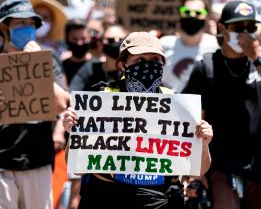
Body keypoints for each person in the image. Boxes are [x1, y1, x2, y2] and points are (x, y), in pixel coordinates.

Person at [62, 31, 213, 208]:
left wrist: (203, 144)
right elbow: (78, 167)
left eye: (155, 60)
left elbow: (198, 170)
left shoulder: (177, 105)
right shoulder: (101, 101)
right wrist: (74, 132)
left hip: (160, 199)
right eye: (140, 60)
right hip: (107, 197)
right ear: (122, 65)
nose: (148, 66)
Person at [0, 0, 70, 209]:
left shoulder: (48, 59)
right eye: (19, 24)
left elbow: (62, 104)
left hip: (36, 161)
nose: (27, 28)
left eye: (30, 23)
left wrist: (40, 65)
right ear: (4, 28)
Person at [182, 0, 261, 209]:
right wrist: (196, 171)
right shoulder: (206, 66)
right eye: (237, 27)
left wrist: (257, 59)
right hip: (220, 165)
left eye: (250, 27)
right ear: (221, 27)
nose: (245, 33)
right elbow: (196, 119)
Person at [161, 0, 218, 92]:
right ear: (180, 14)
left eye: (198, 13)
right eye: (186, 12)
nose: (192, 16)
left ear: (207, 17)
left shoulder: (216, 46)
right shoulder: (164, 44)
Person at [70, 24, 127, 91]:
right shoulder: (89, 69)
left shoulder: (133, 71)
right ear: (100, 44)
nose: (116, 42)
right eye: (111, 40)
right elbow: (72, 93)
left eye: (121, 40)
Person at [62, 19, 92, 84]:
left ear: (89, 38)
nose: (79, 43)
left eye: (83, 39)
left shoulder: (98, 66)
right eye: (75, 39)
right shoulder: (61, 68)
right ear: (67, 39)